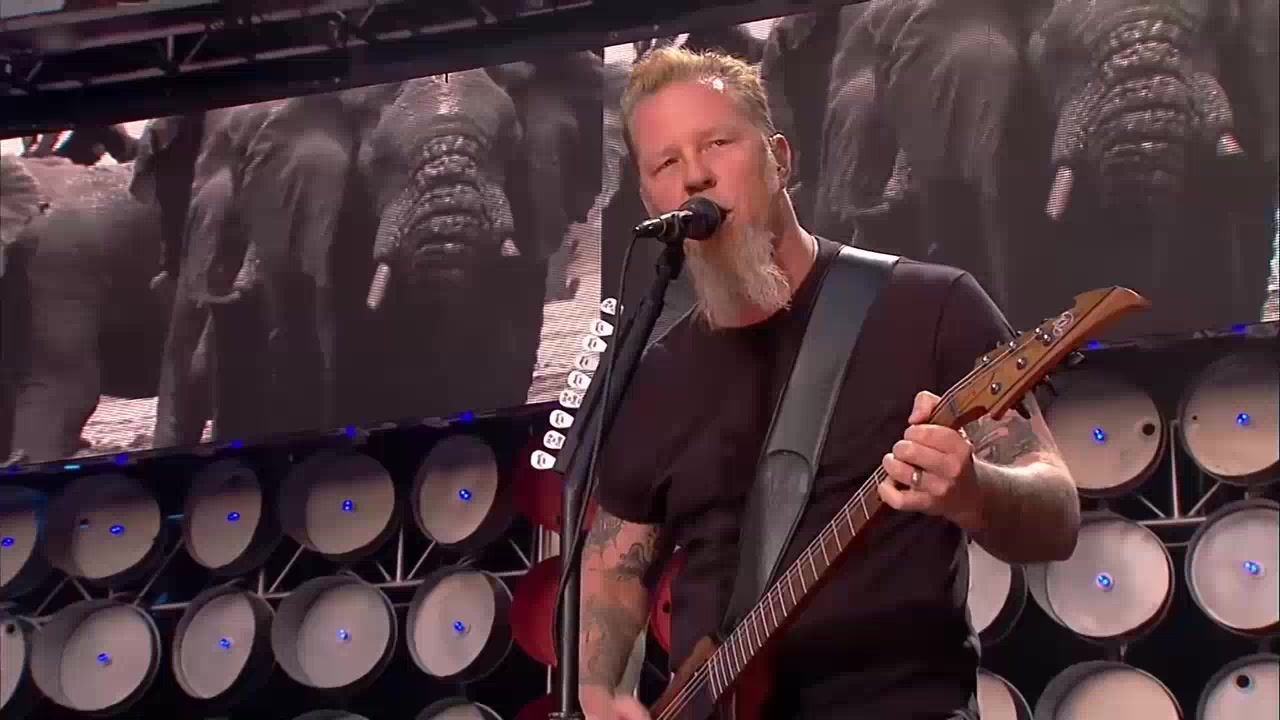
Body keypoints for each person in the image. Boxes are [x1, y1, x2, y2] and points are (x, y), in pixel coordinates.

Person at [578, 46, 1081, 720]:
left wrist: (974, 490)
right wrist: (601, 691)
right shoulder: (654, 378)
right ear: (651, 203)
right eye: (666, 163)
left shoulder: (931, 307)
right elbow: (614, 568)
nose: (695, 175)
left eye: (718, 143)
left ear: (780, 158)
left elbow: (1057, 517)